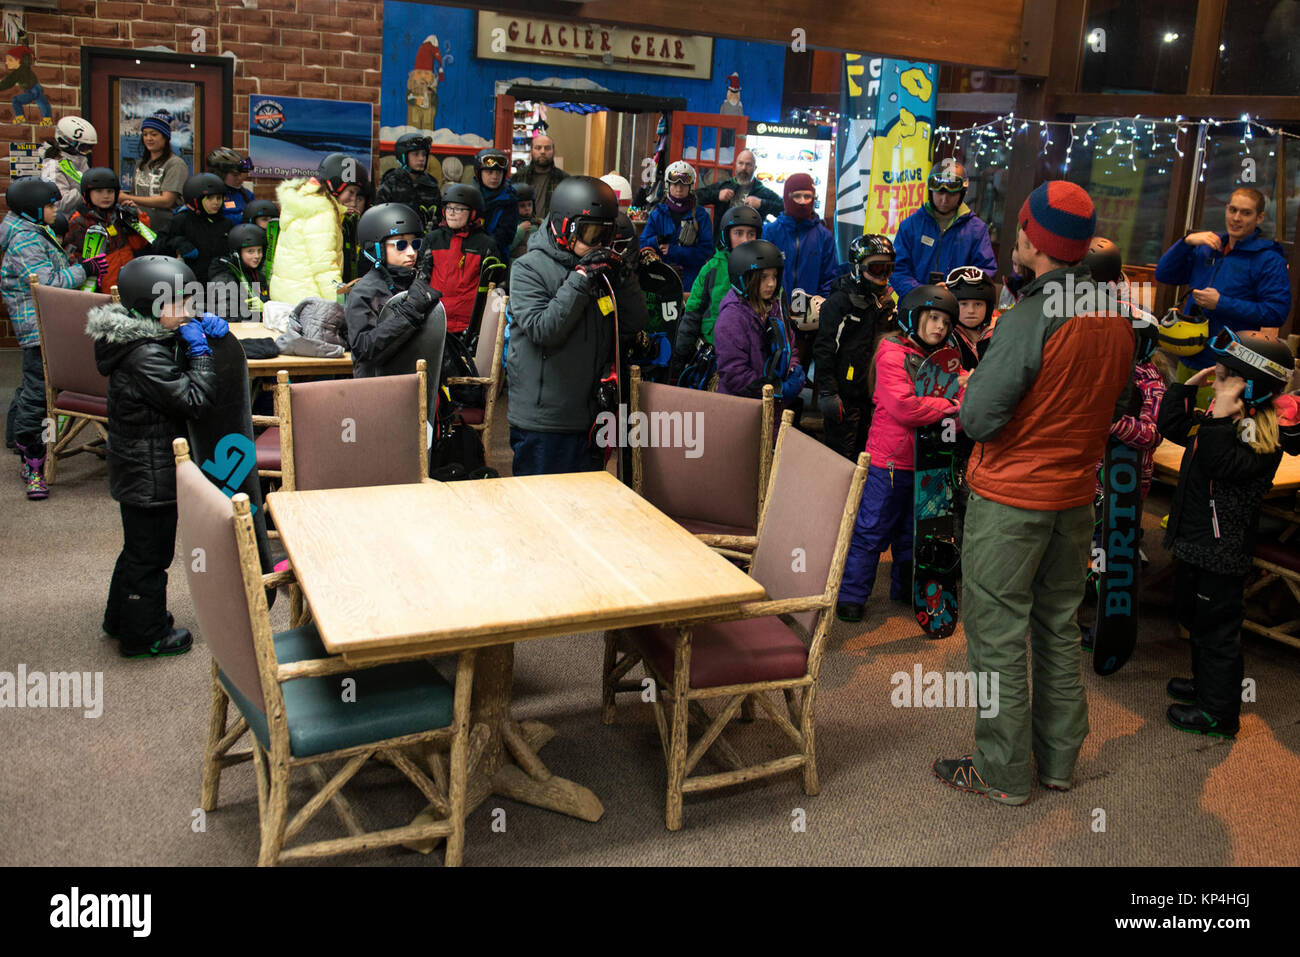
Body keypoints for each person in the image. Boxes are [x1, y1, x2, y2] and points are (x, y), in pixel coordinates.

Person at [933, 181, 1133, 805]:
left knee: (996, 636)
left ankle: (1001, 772)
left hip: (1014, 500)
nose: (1013, 238)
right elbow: (1116, 403)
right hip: (1075, 498)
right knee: (1056, 626)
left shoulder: (1033, 315)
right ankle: (1057, 763)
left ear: (1037, 241)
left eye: (1021, 228)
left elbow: (978, 417)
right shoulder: (1113, 314)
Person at [87, 255, 225, 658]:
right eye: (178, 304)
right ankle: (144, 633)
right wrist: (201, 354)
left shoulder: (145, 340)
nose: (188, 311)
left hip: (142, 466)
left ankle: (120, 618)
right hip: (149, 472)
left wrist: (207, 333)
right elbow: (195, 400)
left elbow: (173, 359)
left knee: (138, 547)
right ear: (151, 307)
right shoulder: (144, 357)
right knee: (151, 554)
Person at [1159, 330, 1291, 737]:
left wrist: (1217, 417)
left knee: (1217, 632)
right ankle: (1205, 688)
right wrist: (1185, 387)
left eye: (1222, 378)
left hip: (1220, 550)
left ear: (1249, 387)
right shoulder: (1224, 423)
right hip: (1199, 544)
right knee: (1197, 620)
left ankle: (1219, 713)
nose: (1214, 383)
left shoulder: (1257, 436)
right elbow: (1174, 426)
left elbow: (1220, 463)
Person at [835, 285, 964, 623]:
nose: (940, 327)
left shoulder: (942, 358)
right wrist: (951, 404)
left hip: (926, 460)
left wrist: (957, 404)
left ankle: (906, 588)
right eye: (933, 318)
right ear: (912, 317)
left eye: (946, 322)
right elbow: (905, 408)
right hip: (888, 463)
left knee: (913, 532)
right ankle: (851, 596)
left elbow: (962, 404)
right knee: (871, 530)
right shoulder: (891, 352)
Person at [506, 176, 648, 476]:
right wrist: (581, 278)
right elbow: (544, 330)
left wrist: (623, 277)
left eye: (606, 235)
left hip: (590, 417)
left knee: (582, 512)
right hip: (545, 421)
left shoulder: (601, 268)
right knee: (539, 512)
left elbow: (633, 323)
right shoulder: (529, 268)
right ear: (562, 227)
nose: (599, 244)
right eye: (590, 233)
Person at [1, 177, 103, 498]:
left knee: (35, 384)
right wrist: (83, 270)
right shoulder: (24, 240)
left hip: (45, 320)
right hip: (37, 323)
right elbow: (47, 284)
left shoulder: (31, 230)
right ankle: (33, 459)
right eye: (50, 205)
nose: (55, 209)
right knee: (38, 393)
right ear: (32, 209)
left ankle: (23, 444)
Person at [1154, 187, 1292, 407]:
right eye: (1233, 210)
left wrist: (1222, 303)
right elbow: (1164, 274)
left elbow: (1276, 312)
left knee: (1208, 432)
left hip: (1229, 366)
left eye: (1246, 213)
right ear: (1226, 209)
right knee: (1177, 425)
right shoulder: (1209, 246)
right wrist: (1186, 242)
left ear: (1260, 217)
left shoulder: (1268, 260)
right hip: (1189, 354)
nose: (1236, 218)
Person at [814, 233, 898, 459]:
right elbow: (824, 350)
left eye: (888, 269)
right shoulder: (840, 303)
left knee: (867, 452)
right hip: (844, 395)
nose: (883, 277)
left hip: (872, 395)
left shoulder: (886, 302)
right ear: (857, 268)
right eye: (876, 269)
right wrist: (828, 392)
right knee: (841, 455)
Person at [344, 202, 441, 379]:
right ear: (377, 248)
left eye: (416, 243)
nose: (411, 252)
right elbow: (364, 348)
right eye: (401, 245)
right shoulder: (363, 292)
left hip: (416, 382)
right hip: (378, 389)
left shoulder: (414, 283)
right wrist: (408, 314)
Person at [670, 205, 761, 382]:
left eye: (751, 234)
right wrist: (679, 357)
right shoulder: (712, 268)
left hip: (748, 355)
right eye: (738, 233)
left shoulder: (763, 271)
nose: (745, 240)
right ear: (727, 235)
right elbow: (693, 313)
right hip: (713, 353)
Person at [714, 239, 805, 414]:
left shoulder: (775, 307)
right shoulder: (732, 318)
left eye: (774, 276)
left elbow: (789, 345)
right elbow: (734, 373)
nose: (771, 283)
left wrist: (793, 368)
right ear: (744, 278)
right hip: (741, 410)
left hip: (771, 408)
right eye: (763, 277)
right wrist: (775, 389)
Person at [891, 161, 997, 299]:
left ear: (962, 193)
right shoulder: (910, 225)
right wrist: (922, 292)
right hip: (914, 307)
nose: (944, 199)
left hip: (957, 309)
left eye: (951, 194)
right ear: (930, 191)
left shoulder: (976, 229)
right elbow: (897, 269)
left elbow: (985, 271)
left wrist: (955, 289)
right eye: (940, 192)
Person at [269, 152, 359, 305]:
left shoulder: (306, 202)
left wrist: (341, 210)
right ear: (335, 185)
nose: (353, 199)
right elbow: (325, 268)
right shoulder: (322, 213)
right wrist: (340, 303)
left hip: (288, 294)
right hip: (309, 300)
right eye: (351, 191)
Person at [65, 167, 153, 294]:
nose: (105, 196)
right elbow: (70, 256)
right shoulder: (79, 221)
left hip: (127, 276)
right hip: (99, 283)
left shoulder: (120, 214)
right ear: (86, 194)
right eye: (99, 191)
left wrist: (138, 218)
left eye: (110, 191)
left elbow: (139, 244)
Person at [424, 184, 498, 335]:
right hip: (435, 320)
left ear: (473, 213)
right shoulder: (433, 239)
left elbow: (494, 285)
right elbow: (422, 278)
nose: (451, 213)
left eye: (458, 208)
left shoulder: (486, 245)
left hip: (469, 325)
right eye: (449, 208)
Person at [761, 172, 840, 304]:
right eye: (797, 196)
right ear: (787, 197)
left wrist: (821, 307)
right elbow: (761, 274)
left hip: (811, 314)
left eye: (807, 196)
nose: (802, 202)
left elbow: (828, 279)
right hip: (775, 309)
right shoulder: (770, 232)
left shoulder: (824, 237)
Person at [639, 160, 713, 291]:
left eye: (684, 184)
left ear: (691, 186)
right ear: (668, 185)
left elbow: (706, 252)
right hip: (660, 279)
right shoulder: (658, 214)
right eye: (675, 183)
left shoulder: (701, 216)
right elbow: (642, 244)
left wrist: (675, 250)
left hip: (691, 282)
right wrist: (656, 241)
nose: (679, 188)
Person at [151, 173, 232, 288]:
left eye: (219, 198)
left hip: (217, 284)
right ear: (195, 200)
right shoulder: (181, 220)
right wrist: (177, 243)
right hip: (187, 284)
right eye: (209, 198)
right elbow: (157, 246)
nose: (216, 202)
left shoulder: (225, 223)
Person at [119, 111, 189, 233]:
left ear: (165, 137)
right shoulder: (140, 164)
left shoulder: (175, 164)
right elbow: (134, 194)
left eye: (154, 134)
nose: (148, 138)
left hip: (164, 230)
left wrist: (128, 197)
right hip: (140, 229)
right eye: (145, 134)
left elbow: (167, 201)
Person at [695, 149, 782, 224]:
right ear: (735, 166)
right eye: (741, 163)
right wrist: (717, 195)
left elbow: (785, 210)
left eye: (748, 164)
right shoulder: (724, 186)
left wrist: (762, 203)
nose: (744, 168)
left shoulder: (763, 191)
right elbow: (693, 197)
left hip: (751, 242)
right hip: (723, 241)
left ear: (755, 168)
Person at [375, 132, 441, 228]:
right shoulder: (391, 183)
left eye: (424, 154)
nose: (421, 158)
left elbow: (439, 219)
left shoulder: (432, 185)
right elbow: (378, 216)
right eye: (416, 154)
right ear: (403, 157)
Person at [208, 224, 269, 321]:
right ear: (237, 254)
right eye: (250, 251)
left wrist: (266, 308)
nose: (257, 256)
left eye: (259, 251)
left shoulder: (258, 276)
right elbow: (225, 317)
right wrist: (259, 313)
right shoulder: (224, 280)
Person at [40, 116, 98, 216]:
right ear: (66, 142)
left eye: (90, 147)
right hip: (65, 224)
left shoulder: (79, 161)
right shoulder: (52, 167)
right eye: (84, 146)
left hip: (81, 221)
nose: (88, 151)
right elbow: (58, 203)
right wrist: (85, 189)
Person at [945, 265, 997, 372]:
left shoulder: (1000, 332)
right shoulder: (945, 336)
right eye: (963, 304)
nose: (971, 311)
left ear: (988, 308)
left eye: (978, 304)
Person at [473, 147, 518, 262]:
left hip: (497, 257)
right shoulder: (469, 196)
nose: (494, 177)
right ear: (479, 173)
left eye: (499, 172)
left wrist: (485, 245)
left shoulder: (510, 198)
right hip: (470, 255)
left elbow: (507, 234)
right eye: (489, 172)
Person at [509, 133, 567, 220]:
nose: (543, 152)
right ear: (531, 151)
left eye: (547, 148)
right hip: (523, 229)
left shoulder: (564, 180)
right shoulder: (517, 178)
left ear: (554, 151)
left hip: (551, 231)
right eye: (538, 148)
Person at [205, 147, 255, 225]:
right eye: (235, 175)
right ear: (220, 175)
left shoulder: (247, 195)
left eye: (240, 174)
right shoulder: (207, 196)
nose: (240, 179)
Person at [0, 45, 50, 122]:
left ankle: (20, 117)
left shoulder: (18, 72)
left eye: (10, 60)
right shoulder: (25, 65)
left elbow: (7, 82)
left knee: (16, 100)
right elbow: (25, 51)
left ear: (18, 60)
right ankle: (47, 119)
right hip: (37, 88)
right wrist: (24, 38)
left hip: (32, 90)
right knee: (42, 103)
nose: (6, 62)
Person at [509, 182, 540, 260]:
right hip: (514, 265)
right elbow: (507, 247)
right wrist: (520, 230)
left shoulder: (538, 223)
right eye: (522, 205)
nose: (527, 208)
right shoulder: (508, 224)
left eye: (529, 204)